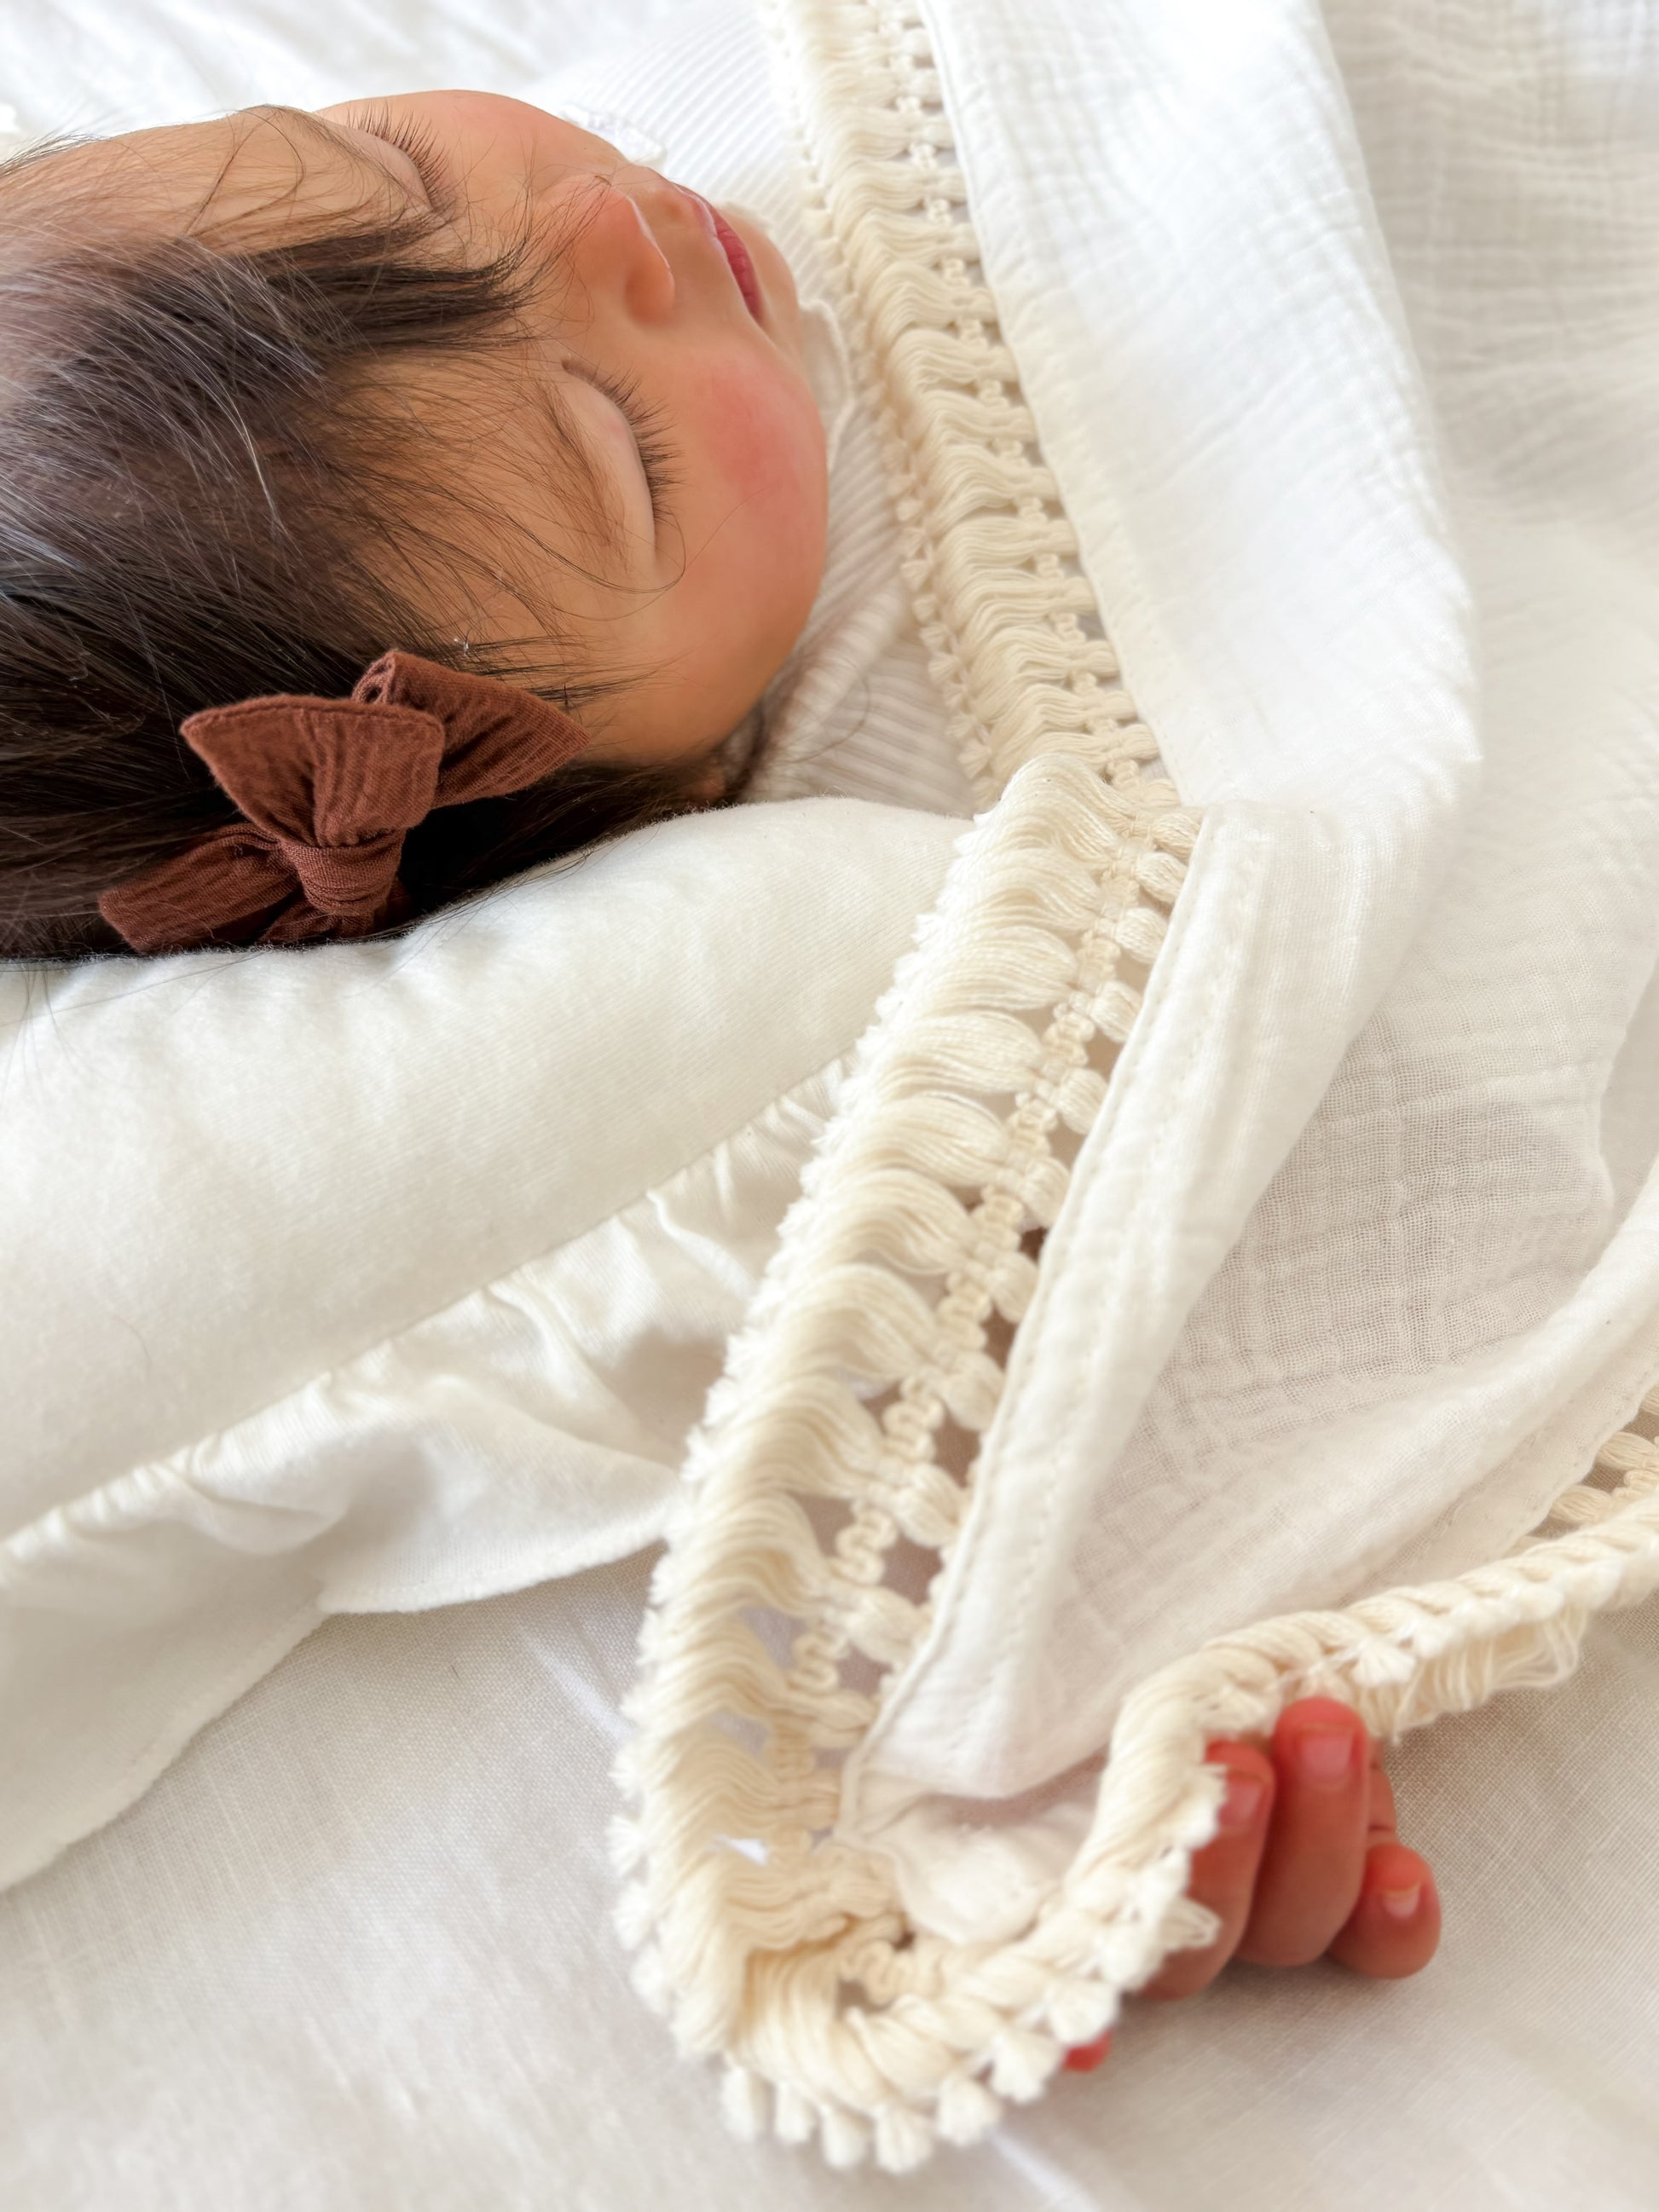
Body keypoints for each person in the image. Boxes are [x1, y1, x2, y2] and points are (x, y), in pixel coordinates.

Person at [0, 90, 1440, 2021]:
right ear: (558, 822)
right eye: (620, 448)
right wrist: (1101, 1712)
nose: (602, 226)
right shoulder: (736, 996)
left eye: (394, 165)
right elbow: (974, 1421)